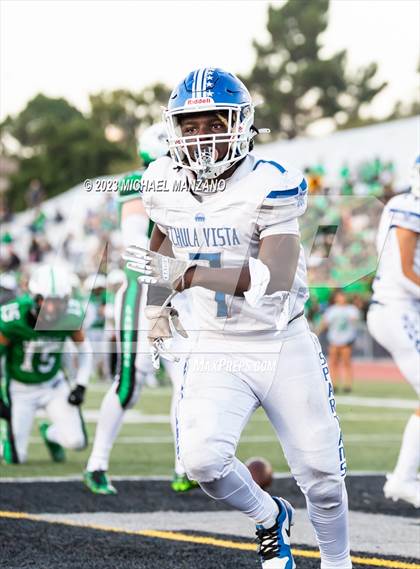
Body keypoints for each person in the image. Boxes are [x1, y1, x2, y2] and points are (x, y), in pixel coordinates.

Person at [124, 68, 352, 569]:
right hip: (215, 343)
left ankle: (338, 563)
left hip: (280, 339)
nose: (201, 137)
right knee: (202, 461)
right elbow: (161, 242)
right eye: (190, 126)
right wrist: (157, 304)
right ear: (173, 130)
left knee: (322, 476)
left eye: (214, 124)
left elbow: (273, 275)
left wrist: (192, 275)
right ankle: (270, 516)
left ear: (241, 125)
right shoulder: (162, 181)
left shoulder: (271, 182)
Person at [84, 123, 198, 495]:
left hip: (181, 294)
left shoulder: (197, 182)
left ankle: (184, 467)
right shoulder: (140, 181)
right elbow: (136, 244)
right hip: (145, 291)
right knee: (129, 385)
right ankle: (97, 464)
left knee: (188, 383)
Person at [367, 155, 420, 509]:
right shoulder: (410, 207)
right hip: (397, 310)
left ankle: (404, 477)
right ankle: (403, 479)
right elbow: (403, 273)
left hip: (401, 309)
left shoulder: (402, 202)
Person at [0, 264, 91, 464]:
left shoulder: (71, 315)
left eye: (59, 303)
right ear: (34, 298)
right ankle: (7, 438)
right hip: (20, 388)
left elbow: (85, 350)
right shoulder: (12, 318)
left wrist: (81, 385)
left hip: (53, 384)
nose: (53, 309)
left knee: (77, 441)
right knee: (15, 458)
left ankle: (50, 434)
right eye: (47, 302)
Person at [319, 290, 360, 393]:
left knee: (346, 362)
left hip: (346, 340)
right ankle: (333, 384)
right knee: (333, 363)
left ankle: (347, 385)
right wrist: (318, 332)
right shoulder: (331, 310)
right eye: (339, 296)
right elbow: (325, 323)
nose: (341, 298)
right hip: (334, 340)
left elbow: (355, 319)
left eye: (343, 296)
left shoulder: (351, 309)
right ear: (335, 298)